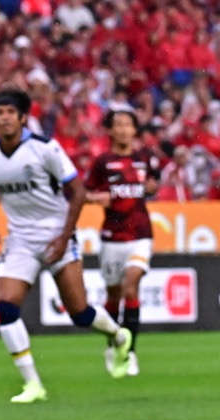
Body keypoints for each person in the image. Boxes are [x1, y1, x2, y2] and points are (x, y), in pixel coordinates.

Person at [0, 87, 133, 403]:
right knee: (5, 307)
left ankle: (117, 335)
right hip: (20, 239)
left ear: (22, 118)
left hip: (57, 234)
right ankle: (33, 385)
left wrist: (63, 236)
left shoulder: (45, 149)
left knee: (79, 313)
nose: (3, 119)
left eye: (8, 113)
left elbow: (79, 191)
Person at [84, 106, 159, 377]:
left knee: (131, 287)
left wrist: (153, 188)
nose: (124, 129)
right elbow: (83, 192)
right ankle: (113, 342)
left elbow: (153, 184)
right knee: (114, 295)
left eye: (129, 124)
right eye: (119, 124)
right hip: (111, 237)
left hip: (140, 234)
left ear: (134, 130)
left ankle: (130, 353)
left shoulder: (145, 159)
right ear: (110, 130)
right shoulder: (102, 162)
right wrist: (94, 199)